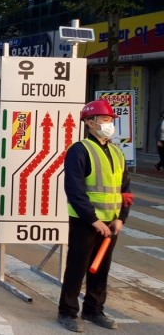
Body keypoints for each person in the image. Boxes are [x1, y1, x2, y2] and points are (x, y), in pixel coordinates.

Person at [57, 100, 132, 332]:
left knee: (102, 269)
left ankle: (93, 310)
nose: (109, 124)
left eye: (110, 120)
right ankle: (67, 312)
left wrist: (121, 218)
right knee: (77, 267)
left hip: (110, 222)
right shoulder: (79, 150)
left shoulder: (118, 153)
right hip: (85, 222)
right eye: (104, 119)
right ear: (90, 123)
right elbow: (75, 189)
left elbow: (125, 190)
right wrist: (93, 219)